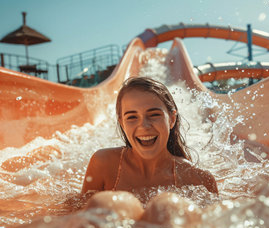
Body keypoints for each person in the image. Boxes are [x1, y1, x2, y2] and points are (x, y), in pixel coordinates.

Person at [81, 76, 218, 220]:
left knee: (169, 207)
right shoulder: (104, 164)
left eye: (154, 115)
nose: (144, 126)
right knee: (107, 204)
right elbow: (77, 220)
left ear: (172, 119)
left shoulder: (198, 180)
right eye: (132, 117)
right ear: (122, 123)